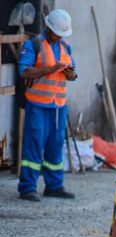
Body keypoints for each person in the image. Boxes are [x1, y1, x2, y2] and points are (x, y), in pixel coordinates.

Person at [17, 9, 77, 202]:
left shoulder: (66, 46)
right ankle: (27, 188)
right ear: (49, 27)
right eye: (58, 32)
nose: (60, 36)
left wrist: (69, 73)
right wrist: (49, 70)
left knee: (55, 146)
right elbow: (24, 71)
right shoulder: (33, 44)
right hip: (37, 105)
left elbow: (73, 74)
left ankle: (54, 186)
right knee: (33, 146)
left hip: (58, 106)